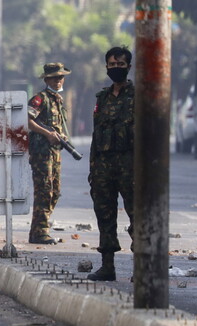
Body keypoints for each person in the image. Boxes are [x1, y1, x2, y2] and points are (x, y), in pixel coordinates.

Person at [87, 46, 135, 281]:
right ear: (106, 67)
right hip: (104, 167)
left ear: (129, 66)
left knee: (138, 217)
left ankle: (142, 267)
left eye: (121, 64)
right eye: (112, 65)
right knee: (104, 215)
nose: (116, 68)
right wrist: (93, 168)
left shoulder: (138, 96)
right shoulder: (102, 98)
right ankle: (108, 266)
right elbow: (97, 135)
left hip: (131, 166)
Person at [27, 62, 71, 245]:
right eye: (54, 78)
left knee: (55, 191)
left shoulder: (57, 100)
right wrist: (47, 133)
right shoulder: (40, 99)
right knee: (44, 190)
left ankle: (38, 229)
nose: (59, 81)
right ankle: (40, 231)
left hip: (54, 152)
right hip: (42, 152)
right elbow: (27, 120)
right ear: (46, 79)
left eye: (61, 77)